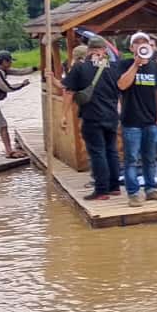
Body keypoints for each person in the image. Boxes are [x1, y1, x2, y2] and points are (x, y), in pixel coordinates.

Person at [61, 36, 121, 201]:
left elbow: (69, 92)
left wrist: (64, 115)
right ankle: (115, 186)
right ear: (104, 50)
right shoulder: (115, 67)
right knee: (112, 150)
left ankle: (101, 190)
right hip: (112, 115)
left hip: (92, 116)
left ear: (88, 49)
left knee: (97, 152)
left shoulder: (80, 68)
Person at [117, 31, 157, 207]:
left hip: (150, 120)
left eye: (144, 42)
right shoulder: (124, 64)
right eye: (136, 43)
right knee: (131, 159)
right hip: (131, 121)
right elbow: (122, 84)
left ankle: (151, 189)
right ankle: (133, 193)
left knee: (150, 158)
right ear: (131, 48)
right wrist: (136, 65)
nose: (141, 45)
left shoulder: (155, 67)